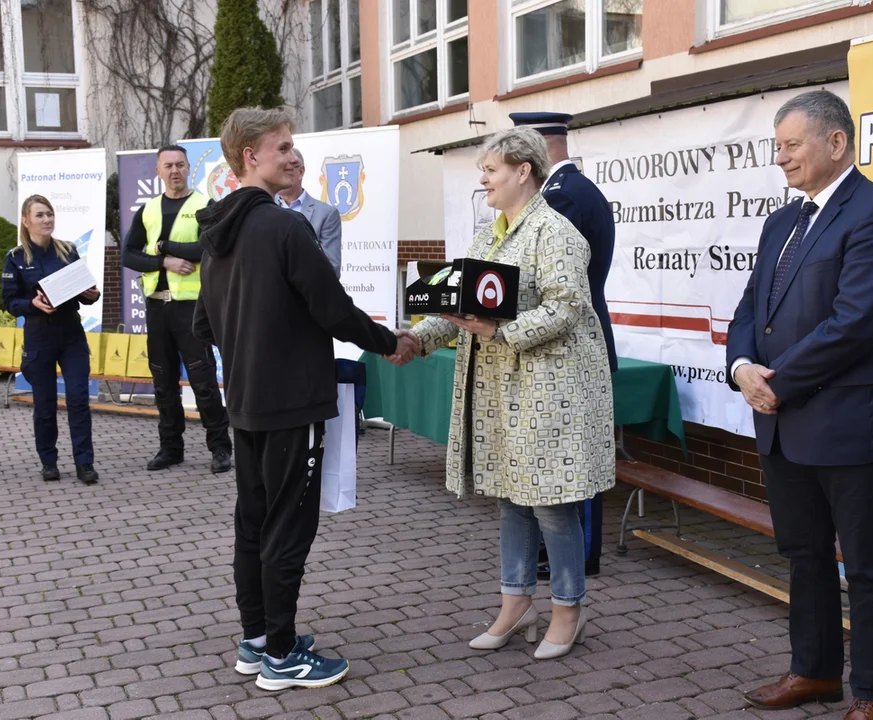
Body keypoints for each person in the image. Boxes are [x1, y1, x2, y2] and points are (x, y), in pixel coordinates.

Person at [193, 106, 415, 691]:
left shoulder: (216, 233)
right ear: (251, 157)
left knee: (254, 521)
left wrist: (252, 345)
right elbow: (335, 310)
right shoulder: (285, 227)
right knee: (288, 525)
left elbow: (202, 324)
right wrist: (390, 342)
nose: (294, 157)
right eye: (284, 147)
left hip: (245, 398)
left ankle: (257, 638)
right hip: (292, 402)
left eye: (294, 147)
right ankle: (284, 655)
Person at [726, 90, 873, 720]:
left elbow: (856, 322)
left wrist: (778, 383)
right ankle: (813, 673)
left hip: (852, 427)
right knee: (803, 557)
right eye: (776, 146)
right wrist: (742, 366)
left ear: (836, 143)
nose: (780, 158)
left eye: (791, 145)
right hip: (783, 425)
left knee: (865, 568)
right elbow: (752, 306)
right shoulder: (783, 220)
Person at [405, 127, 615, 660]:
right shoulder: (491, 235)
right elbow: (457, 306)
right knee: (511, 499)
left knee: (550, 504)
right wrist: (414, 340)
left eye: (491, 170)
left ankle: (569, 607)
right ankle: (515, 602)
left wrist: (499, 332)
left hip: (551, 390)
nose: (484, 179)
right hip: (503, 392)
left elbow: (566, 309)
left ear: (524, 171)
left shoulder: (556, 232)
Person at [511, 111, 617, 580]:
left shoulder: (565, 197)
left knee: (577, 464)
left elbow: (543, 286)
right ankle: (556, 553)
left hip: (571, 347)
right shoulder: (567, 191)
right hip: (560, 343)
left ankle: (580, 556)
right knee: (563, 460)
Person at [121, 144, 233, 475]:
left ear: (189, 170)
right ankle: (171, 448)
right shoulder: (148, 210)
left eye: (180, 165)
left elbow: (209, 247)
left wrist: (169, 247)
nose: (174, 171)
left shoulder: (204, 205)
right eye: (168, 165)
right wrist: (164, 260)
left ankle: (220, 448)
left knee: (203, 381)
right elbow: (129, 255)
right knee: (163, 382)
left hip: (192, 309)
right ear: (158, 171)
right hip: (157, 308)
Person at [2, 194, 100, 485]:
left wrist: (91, 295)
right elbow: (9, 302)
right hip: (39, 335)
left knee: (79, 400)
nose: (47, 220)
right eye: (40, 215)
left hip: (71, 334)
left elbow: (86, 291)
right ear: (26, 220)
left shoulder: (67, 250)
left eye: (50, 214)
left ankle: (85, 463)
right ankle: (49, 462)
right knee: (45, 405)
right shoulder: (16, 257)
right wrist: (33, 305)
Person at [276, 148, 342, 276]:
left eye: (286, 170)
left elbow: (332, 269)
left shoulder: (326, 214)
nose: (279, 177)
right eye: (277, 170)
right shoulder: (264, 209)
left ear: (300, 171)